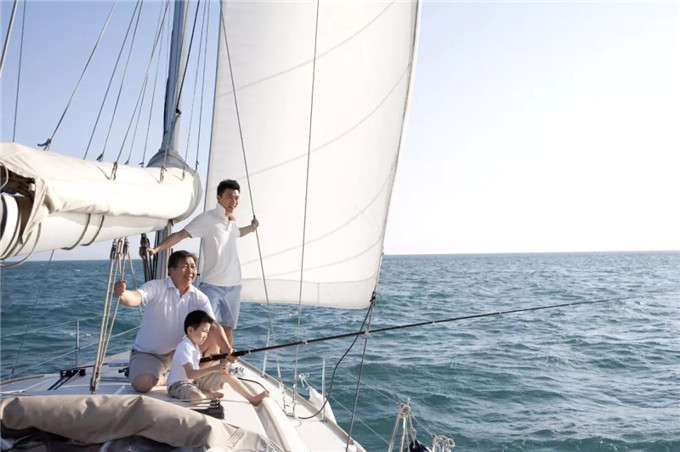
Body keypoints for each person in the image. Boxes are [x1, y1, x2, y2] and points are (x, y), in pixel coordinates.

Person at [149, 179, 257, 349]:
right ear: (219, 197)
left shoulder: (232, 223)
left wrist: (252, 227)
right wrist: (157, 249)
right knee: (205, 328)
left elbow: (238, 233)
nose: (234, 201)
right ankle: (198, 361)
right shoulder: (207, 219)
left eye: (236, 198)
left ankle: (224, 362)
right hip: (211, 286)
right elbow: (181, 234)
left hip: (234, 285)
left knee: (228, 327)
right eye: (229, 197)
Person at [114, 250, 235, 393]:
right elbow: (136, 297)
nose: (190, 271)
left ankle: (194, 378)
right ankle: (166, 379)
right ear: (171, 270)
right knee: (142, 384)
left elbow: (213, 325)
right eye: (185, 266)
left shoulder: (199, 297)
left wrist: (228, 350)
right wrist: (123, 295)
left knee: (212, 337)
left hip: (182, 352)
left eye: (193, 267)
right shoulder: (156, 287)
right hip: (150, 354)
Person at [166, 309, 269, 404]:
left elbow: (197, 370)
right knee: (197, 397)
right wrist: (214, 368)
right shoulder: (185, 347)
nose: (206, 336)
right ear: (190, 330)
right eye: (204, 331)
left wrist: (216, 360)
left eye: (207, 332)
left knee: (228, 376)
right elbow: (191, 374)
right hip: (179, 385)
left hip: (194, 382)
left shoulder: (195, 346)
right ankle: (206, 394)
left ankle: (252, 398)